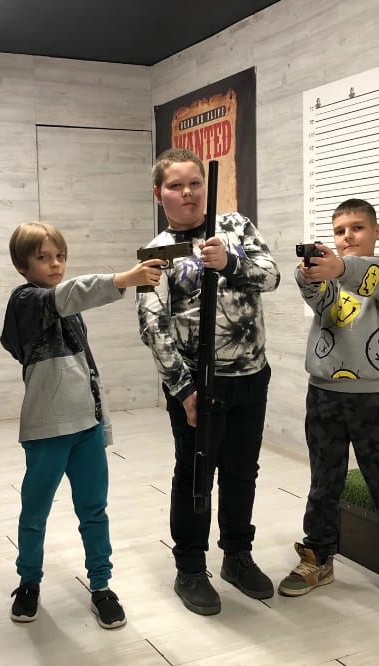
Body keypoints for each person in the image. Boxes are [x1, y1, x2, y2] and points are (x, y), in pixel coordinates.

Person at [278, 198, 379, 623]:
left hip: (376, 398)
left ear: (377, 231)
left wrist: (338, 267)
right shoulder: (329, 280)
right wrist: (307, 274)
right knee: (323, 484)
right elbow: (314, 294)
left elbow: (371, 277)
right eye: (339, 231)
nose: (347, 236)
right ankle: (318, 557)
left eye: (356, 227)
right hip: (324, 395)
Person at [136, 148, 280, 615]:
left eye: (195, 183)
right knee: (195, 472)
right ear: (159, 194)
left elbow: (272, 276)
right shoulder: (156, 252)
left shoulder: (235, 226)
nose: (188, 193)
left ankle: (237, 555)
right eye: (176, 186)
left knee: (242, 471)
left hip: (251, 376)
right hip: (198, 388)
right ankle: (191, 567)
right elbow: (152, 324)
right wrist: (184, 391)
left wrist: (231, 262)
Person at [0, 221, 164, 628]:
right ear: (22, 266)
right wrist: (124, 279)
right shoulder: (26, 301)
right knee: (34, 512)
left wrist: (101, 425)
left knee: (94, 510)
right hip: (46, 431)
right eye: (43, 258)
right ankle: (29, 582)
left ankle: (101, 585)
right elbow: (71, 293)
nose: (55, 264)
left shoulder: (69, 312)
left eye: (60, 256)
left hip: (86, 430)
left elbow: (87, 370)